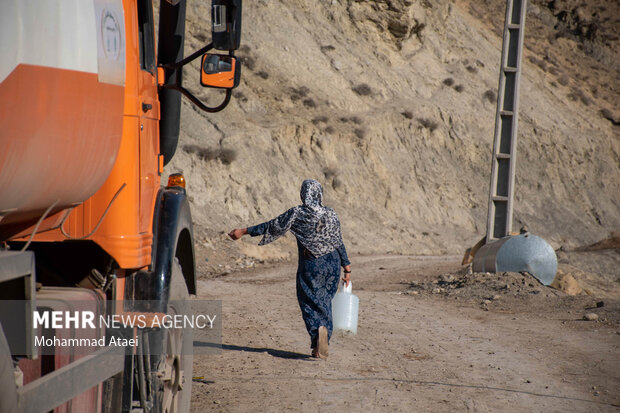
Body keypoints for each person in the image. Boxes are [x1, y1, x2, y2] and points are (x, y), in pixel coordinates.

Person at [228, 179, 351, 359]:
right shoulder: (331, 214)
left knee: (308, 300)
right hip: (332, 264)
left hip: (312, 263)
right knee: (325, 302)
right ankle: (324, 338)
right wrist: (346, 268)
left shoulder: (298, 213)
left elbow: (272, 225)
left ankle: (317, 336)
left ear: (304, 194)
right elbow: (338, 241)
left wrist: (244, 231)